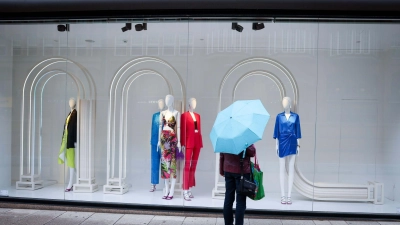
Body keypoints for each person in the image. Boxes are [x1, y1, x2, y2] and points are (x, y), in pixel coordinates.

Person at [220, 144, 256, 225]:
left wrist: (221, 170)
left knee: (228, 198)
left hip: (228, 170)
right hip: (241, 171)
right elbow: (252, 152)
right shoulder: (245, 137)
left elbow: (221, 155)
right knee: (240, 201)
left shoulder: (226, 136)